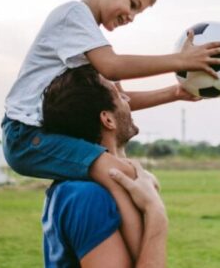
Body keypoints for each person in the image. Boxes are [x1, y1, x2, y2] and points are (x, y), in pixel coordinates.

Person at [2, 0, 220, 256]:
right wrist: (180, 60)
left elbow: (115, 101)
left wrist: (173, 93)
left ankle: (140, 251)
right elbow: (112, 66)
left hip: (40, 136)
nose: (132, 17)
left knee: (122, 172)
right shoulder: (73, 15)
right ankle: (143, 254)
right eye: (133, 4)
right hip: (26, 136)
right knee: (117, 174)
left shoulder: (86, 40)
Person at [41, 65, 168, 268]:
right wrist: (157, 214)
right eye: (119, 96)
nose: (127, 100)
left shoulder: (84, 189)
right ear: (107, 119)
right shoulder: (85, 196)